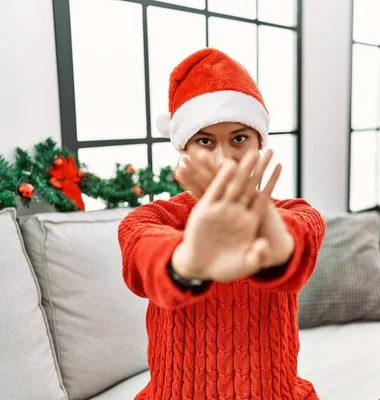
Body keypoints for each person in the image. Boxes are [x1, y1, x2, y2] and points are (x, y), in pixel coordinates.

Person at [117, 48, 325, 400]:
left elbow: (299, 236)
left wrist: (274, 244)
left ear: (260, 142)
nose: (225, 159)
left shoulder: (298, 211)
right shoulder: (152, 218)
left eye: (239, 138)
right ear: (184, 148)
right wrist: (187, 262)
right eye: (205, 141)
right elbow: (141, 252)